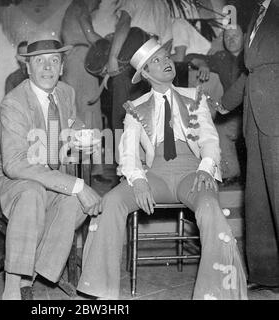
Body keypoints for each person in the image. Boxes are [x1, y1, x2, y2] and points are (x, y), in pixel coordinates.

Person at [77, 37, 248, 300]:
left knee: (210, 208)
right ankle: (102, 292)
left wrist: (205, 167)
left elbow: (209, 139)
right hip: (153, 175)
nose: (166, 62)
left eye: (166, 56)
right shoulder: (135, 107)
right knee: (110, 202)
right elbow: (129, 151)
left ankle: (216, 294)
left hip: (192, 173)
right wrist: (138, 179)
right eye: (156, 60)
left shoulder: (195, 97)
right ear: (144, 73)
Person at [0, 33, 102, 300]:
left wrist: (81, 136)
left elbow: (69, 124)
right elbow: (16, 165)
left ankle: (31, 273)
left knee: (75, 202)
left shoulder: (66, 92)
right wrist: (77, 184)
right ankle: (12, 287)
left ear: (62, 67)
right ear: (27, 67)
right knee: (33, 193)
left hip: (48, 177)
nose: (47, 67)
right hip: (8, 180)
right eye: (39, 61)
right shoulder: (14, 103)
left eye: (54, 61)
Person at [221, 0, 279, 292]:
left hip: (277, 116)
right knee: (258, 198)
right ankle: (267, 273)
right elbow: (250, 72)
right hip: (255, 120)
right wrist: (223, 103)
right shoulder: (258, 12)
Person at [185, 25, 248, 182]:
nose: (231, 39)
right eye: (227, 37)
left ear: (245, 36)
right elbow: (191, 57)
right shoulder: (221, 58)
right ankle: (231, 175)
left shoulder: (252, 55)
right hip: (234, 112)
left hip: (255, 110)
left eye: (235, 35)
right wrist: (203, 64)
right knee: (219, 129)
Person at [61, 0, 112, 184]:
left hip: (77, 61)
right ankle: (91, 169)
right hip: (80, 62)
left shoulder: (74, 7)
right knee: (88, 115)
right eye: (97, 3)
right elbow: (90, 35)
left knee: (81, 115)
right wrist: (112, 47)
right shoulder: (80, 6)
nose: (97, 6)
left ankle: (86, 169)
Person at [107, 0, 173, 130]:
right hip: (154, 54)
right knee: (146, 115)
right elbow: (168, 41)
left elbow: (124, 22)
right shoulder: (163, 4)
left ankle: (122, 148)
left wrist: (113, 56)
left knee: (122, 116)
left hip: (132, 54)